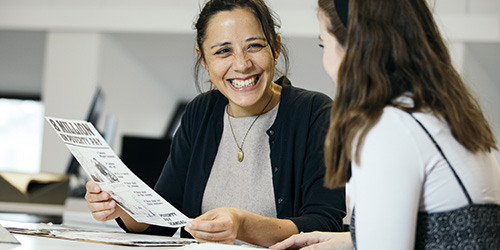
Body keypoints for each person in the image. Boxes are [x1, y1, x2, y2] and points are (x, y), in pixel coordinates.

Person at [84, 0, 346, 247]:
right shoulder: (199, 113)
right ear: (203, 59)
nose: (242, 65)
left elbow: (325, 225)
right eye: (223, 51)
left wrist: (242, 225)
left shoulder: (315, 112)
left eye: (254, 46)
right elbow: (161, 222)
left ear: (275, 47)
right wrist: (121, 206)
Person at [270, 0, 500, 249]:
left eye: (323, 44)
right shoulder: (437, 114)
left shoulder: (390, 128)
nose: (326, 59)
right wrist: (346, 241)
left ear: (355, 50)